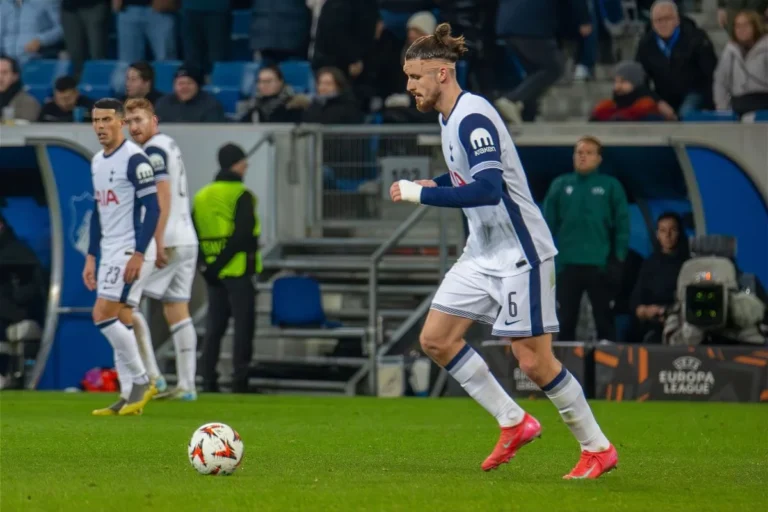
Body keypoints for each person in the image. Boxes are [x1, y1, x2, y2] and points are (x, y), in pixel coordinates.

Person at [391, 23, 617, 479]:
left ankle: (597, 448)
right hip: (482, 251)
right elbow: (464, 179)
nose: (409, 86)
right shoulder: (447, 117)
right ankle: (513, 421)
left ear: (442, 73)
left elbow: (489, 189)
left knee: (533, 362)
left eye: (415, 77)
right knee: (435, 339)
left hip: (520, 252)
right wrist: (431, 183)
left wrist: (421, 197)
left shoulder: (473, 117)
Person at [84, 97, 160, 416]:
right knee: (122, 318)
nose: (100, 127)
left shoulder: (135, 159)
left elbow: (153, 208)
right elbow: (98, 212)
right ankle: (129, 397)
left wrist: (139, 253)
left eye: (106, 120)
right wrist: (91, 256)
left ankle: (143, 381)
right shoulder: (97, 161)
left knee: (103, 314)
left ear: (121, 122)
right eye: (95, 121)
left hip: (131, 248)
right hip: (110, 250)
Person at [124, 98, 200, 400]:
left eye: (139, 120)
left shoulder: (153, 150)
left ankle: (154, 376)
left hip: (166, 239)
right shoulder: (170, 144)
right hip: (187, 238)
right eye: (129, 122)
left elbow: (161, 195)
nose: (134, 127)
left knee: (124, 304)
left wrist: (155, 241)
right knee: (177, 310)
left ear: (154, 121)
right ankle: (188, 386)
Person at [543, 136, 629, 342]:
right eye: (579, 152)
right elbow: (545, 227)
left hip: (600, 265)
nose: (583, 157)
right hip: (566, 265)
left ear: (599, 159)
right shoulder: (560, 185)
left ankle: (608, 370)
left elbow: (622, 226)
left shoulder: (610, 186)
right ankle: (564, 370)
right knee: (565, 321)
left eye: (589, 153)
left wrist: (618, 259)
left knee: (604, 321)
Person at [192, 143, 261, 394]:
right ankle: (239, 380)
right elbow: (242, 236)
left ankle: (207, 379)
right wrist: (220, 264)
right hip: (237, 269)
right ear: (236, 164)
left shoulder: (202, 195)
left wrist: (206, 266)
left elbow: (194, 234)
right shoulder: (242, 194)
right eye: (244, 162)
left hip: (211, 273)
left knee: (214, 328)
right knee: (243, 327)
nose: (246, 166)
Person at [630, 212, 689, 343]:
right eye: (663, 231)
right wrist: (646, 311)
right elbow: (636, 302)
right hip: (655, 325)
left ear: (679, 232)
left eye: (672, 230)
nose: (667, 235)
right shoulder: (650, 264)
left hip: (684, 323)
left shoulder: (689, 264)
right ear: (657, 235)